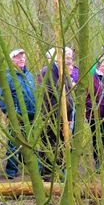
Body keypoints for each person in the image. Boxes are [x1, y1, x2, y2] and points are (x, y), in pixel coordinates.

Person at [0, 49, 37, 178]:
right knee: (14, 143)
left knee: (30, 141)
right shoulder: (8, 77)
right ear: (12, 60)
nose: (21, 59)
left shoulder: (30, 75)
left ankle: (31, 166)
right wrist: (10, 114)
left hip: (32, 114)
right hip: (18, 116)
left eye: (23, 57)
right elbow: (2, 99)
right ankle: (11, 170)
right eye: (18, 57)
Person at [39, 48, 75, 178]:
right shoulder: (47, 72)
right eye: (67, 57)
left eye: (71, 57)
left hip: (62, 117)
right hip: (51, 116)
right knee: (50, 145)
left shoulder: (63, 72)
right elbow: (55, 94)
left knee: (60, 145)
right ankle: (48, 174)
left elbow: (69, 95)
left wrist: (69, 116)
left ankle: (59, 170)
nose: (70, 60)